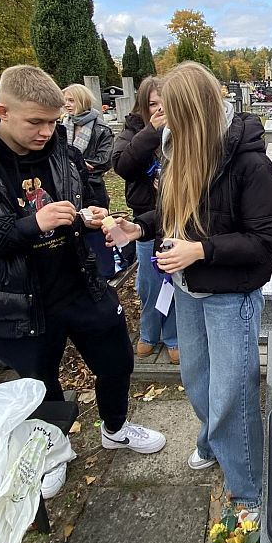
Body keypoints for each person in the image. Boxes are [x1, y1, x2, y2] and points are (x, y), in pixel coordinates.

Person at [0, 66, 166, 465]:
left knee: (117, 361)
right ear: (3, 111)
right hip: (11, 301)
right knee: (40, 387)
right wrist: (27, 226)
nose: (46, 132)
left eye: (53, 121)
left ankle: (115, 428)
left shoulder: (60, 150)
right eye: (35, 122)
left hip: (79, 283)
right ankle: (52, 452)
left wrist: (86, 216)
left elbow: (74, 200)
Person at [108, 62, 272, 515]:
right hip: (188, 289)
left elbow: (266, 239)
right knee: (196, 378)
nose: (162, 124)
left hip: (230, 297)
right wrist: (139, 228)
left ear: (196, 113)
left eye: (172, 114)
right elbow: (175, 214)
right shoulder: (179, 149)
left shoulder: (249, 163)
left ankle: (247, 488)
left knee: (232, 394)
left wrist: (200, 250)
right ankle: (213, 441)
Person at [111, 76, 178, 364]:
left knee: (173, 280)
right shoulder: (133, 130)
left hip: (174, 218)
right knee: (149, 283)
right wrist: (151, 132)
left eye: (164, 103)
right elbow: (122, 165)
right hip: (144, 220)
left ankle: (173, 335)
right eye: (152, 104)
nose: (159, 109)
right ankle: (149, 332)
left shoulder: (180, 128)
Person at [62, 83, 113, 208]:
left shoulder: (101, 129)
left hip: (92, 186)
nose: (66, 104)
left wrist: (73, 163)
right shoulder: (62, 125)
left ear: (82, 101)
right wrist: (80, 163)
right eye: (65, 101)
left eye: (71, 100)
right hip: (66, 187)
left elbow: (104, 161)